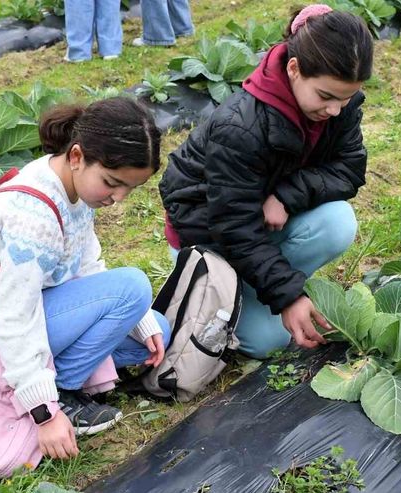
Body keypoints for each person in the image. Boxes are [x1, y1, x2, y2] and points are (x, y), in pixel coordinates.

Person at [0, 97, 170, 487]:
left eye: (129, 188)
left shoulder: (68, 182)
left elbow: (87, 262)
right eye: (112, 183)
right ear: (77, 156)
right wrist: (44, 412)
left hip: (25, 315)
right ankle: (60, 393)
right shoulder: (33, 216)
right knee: (133, 288)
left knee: (154, 329)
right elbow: (15, 317)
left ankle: (57, 379)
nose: (118, 199)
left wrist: (139, 322)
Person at [159, 5, 373, 359]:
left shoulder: (340, 107)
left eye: (346, 98)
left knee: (338, 222)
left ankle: (266, 287)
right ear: (293, 69)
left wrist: (286, 196)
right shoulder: (240, 127)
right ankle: (243, 290)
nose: (335, 109)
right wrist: (288, 297)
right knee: (266, 343)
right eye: (325, 97)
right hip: (208, 238)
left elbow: (349, 168)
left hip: (258, 224)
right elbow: (233, 226)